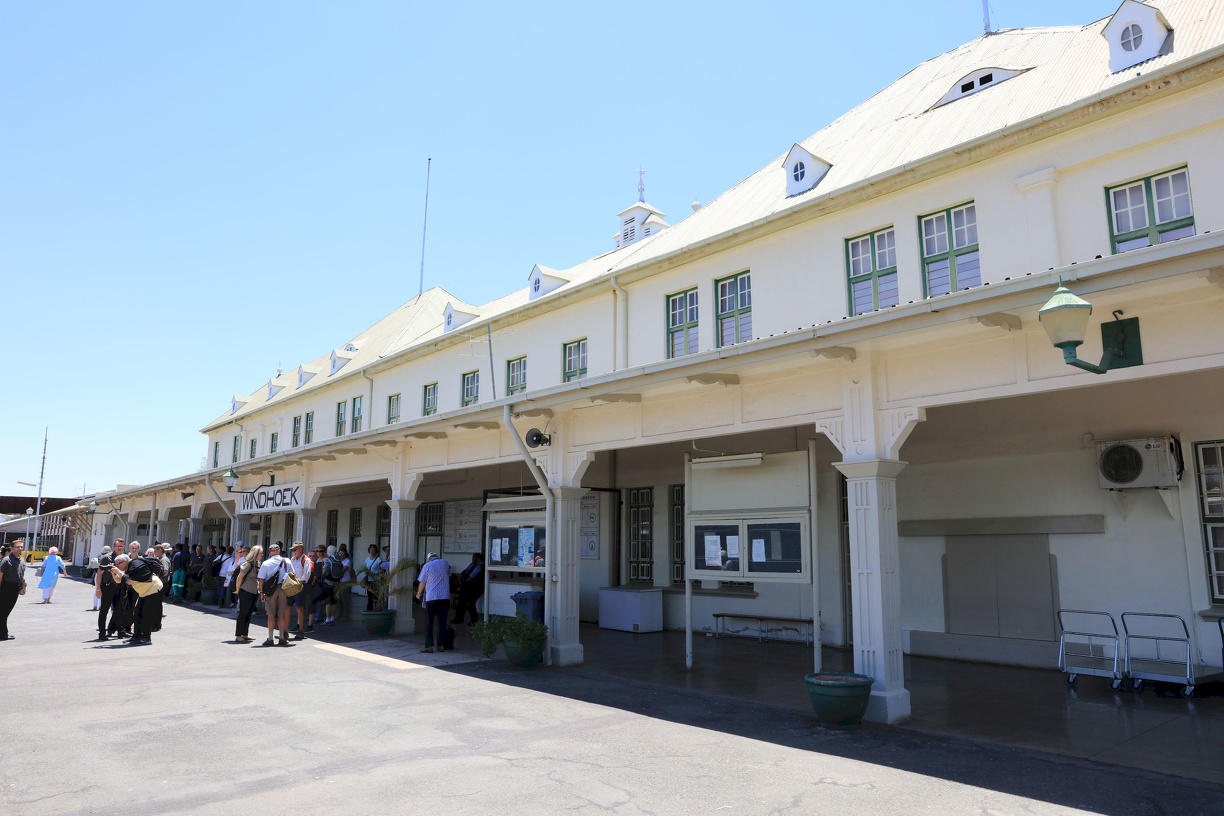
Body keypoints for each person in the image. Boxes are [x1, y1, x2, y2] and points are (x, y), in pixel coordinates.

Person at [415, 552, 451, 653]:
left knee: (429, 623)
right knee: (442, 622)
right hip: (445, 597)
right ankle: (441, 645)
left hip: (432, 597)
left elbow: (422, 582)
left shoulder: (427, 565)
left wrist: (419, 593)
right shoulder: (445, 563)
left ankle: (429, 646)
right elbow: (449, 575)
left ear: (429, 559)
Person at [257, 542, 291, 647]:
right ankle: (282, 637)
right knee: (281, 614)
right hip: (283, 588)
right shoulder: (287, 561)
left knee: (271, 614)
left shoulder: (266, 563)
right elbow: (292, 575)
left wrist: (262, 592)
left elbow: (261, 580)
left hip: (270, 590)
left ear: (270, 552)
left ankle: (270, 638)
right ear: (279, 551)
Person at [232, 544, 263, 643]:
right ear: (255, 554)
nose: (262, 555)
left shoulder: (257, 564)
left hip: (254, 591)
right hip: (245, 591)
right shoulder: (248, 564)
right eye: (260, 553)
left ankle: (245, 634)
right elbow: (239, 578)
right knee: (243, 613)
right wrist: (238, 590)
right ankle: (238, 635)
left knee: (249, 614)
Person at [95, 544, 124, 640]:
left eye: (121, 546)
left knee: (119, 610)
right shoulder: (107, 558)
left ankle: (120, 632)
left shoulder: (124, 557)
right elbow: (99, 574)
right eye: (117, 546)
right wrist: (98, 589)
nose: (119, 548)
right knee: (104, 610)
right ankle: (102, 633)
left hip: (119, 587)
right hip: (107, 586)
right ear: (114, 547)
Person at [0, 540, 27, 640]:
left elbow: (21, 574)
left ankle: (3, 632)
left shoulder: (21, 560)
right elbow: (0, 575)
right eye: (17, 547)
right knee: (3, 611)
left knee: (6, 611)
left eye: (21, 547)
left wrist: (22, 585)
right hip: (6, 587)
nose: (20, 548)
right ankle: (3, 633)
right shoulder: (6, 560)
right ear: (12, 548)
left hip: (15, 588)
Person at [452, 553, 485, 625]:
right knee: (462, 602)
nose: (473, 559)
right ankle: (459, 618)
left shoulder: (481, 566)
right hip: (466, 585)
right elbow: (466, 570)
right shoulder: (473, 564)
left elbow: (473, 576)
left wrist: (467, 579)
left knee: (470, 602)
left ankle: (474, 620)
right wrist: (462, 575)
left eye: (474, 557)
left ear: (478, 558)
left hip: (473, 587)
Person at [363, 544, 383, 612]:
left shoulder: (378, 559)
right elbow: (366, 567)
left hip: (376, 580)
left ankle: (377, 609)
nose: (371, 550)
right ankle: (369, 609)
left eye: (373, 549)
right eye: (370, 549)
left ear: (375, 550)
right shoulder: (367, 559)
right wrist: (366, 572)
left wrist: (375, 573)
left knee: (376, 596)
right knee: (370, 596)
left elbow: (382, 570)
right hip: (369, 580)